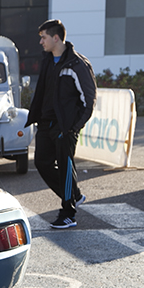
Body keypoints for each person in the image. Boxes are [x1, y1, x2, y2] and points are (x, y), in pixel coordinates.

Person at [25, 19, 97, 229]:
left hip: (64, 126)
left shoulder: (77, 64)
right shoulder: (47, 60)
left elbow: (89, 100)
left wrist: (73, 128)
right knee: (41, 163)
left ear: (56, 38)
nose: (41, 42)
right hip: (45, 123)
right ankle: (74, 194)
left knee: (65, 168)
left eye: (43, 37)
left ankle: (68, 213)